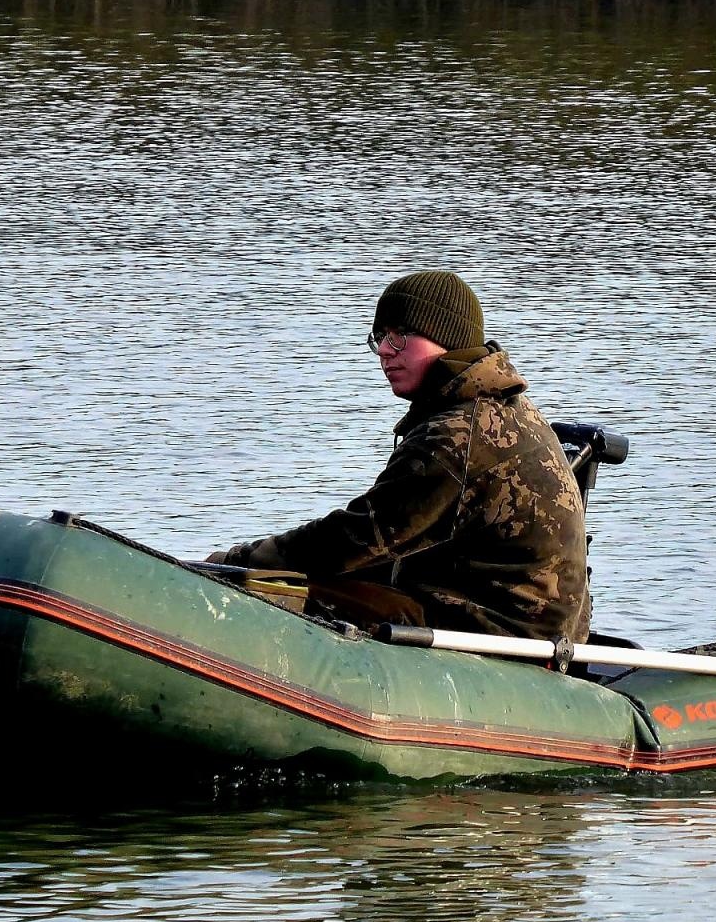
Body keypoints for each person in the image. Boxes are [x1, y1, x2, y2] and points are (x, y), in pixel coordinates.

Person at [209, 271, 590, 645]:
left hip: (501, 628)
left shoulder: (459, 435)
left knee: (285, 587)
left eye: (401, 336)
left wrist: (236, 563)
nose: (386, 351)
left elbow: (356, 538)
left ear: (447, 339)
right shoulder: (500, 403)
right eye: (381, 338)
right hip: (532, 620)